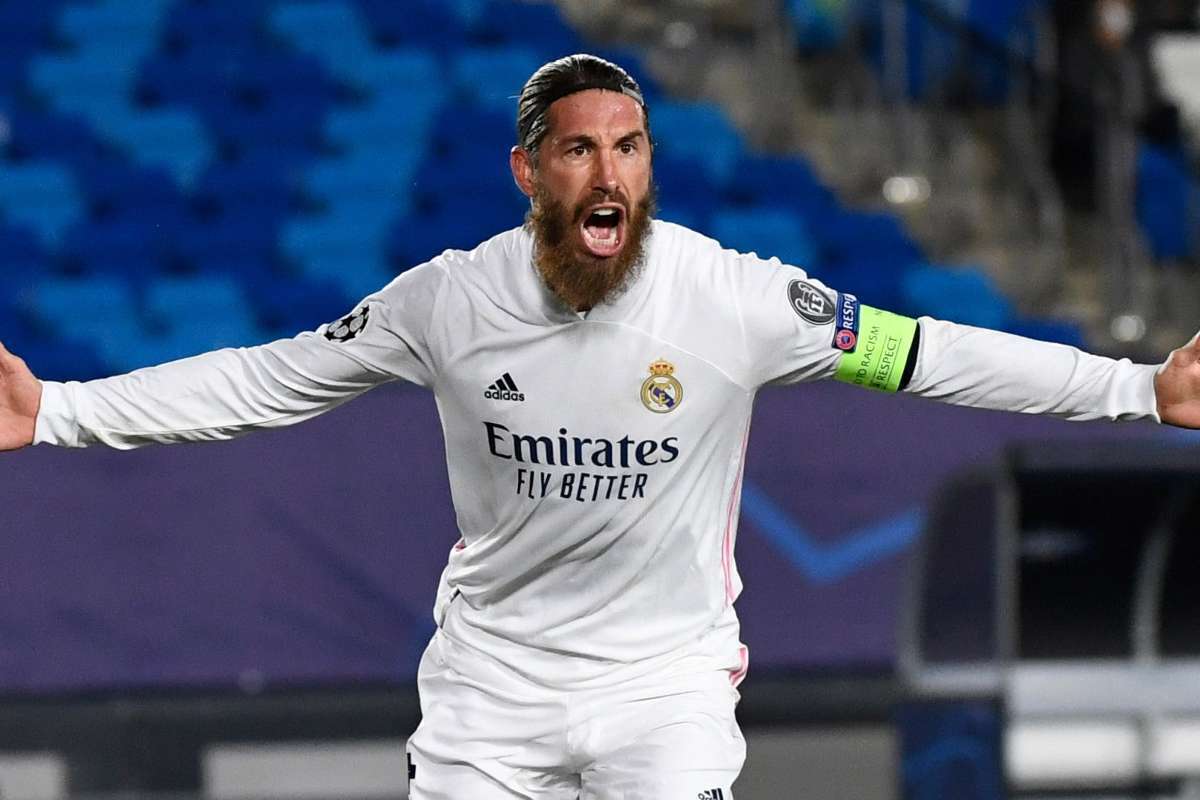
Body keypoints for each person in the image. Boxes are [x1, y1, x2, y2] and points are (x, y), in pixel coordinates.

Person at [1, 53, 1199, 799]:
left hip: (664, 688)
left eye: (629, 147)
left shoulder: (736, 298)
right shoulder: (449, 301)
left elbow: (927, 352)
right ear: (530, 172)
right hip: (492, 686)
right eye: (581, 149)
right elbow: (268, 378)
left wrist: (1138, 389)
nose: (610, 171)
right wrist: (58, 409)